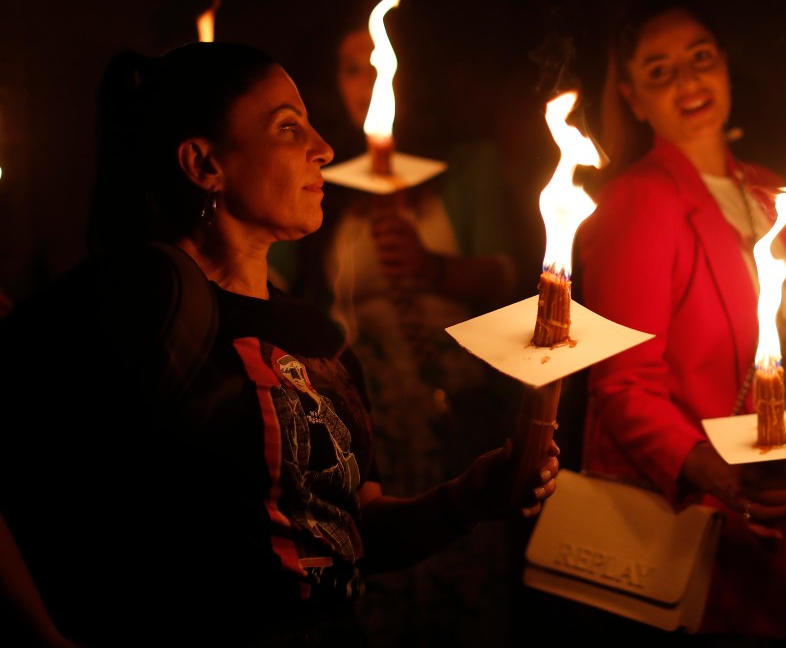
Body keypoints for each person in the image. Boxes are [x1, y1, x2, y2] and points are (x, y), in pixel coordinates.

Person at [0, 41, 558, 647]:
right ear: (204, 164)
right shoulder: (140, 303)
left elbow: (348, 529)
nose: (323, 148)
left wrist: (464, 499)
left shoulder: (319, 338)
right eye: (288, 128)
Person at [573, 0, 786, 642]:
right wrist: (717, 473)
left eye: (701, 59)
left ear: (725, 66)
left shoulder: (774, 190)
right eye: (660, 71)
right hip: (698, 516)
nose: (689, 82)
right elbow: (621, 385)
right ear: (632, 97)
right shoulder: (638, 200)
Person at [271, 0, 530, 647]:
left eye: (379, 65)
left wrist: (432, 267)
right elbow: (282, 283)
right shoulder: (322, 177)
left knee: (462, 575)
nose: (367, 82)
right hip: (362, 413)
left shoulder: (465, 166)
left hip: (452, 402)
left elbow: (509, 277)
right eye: (351, 68)